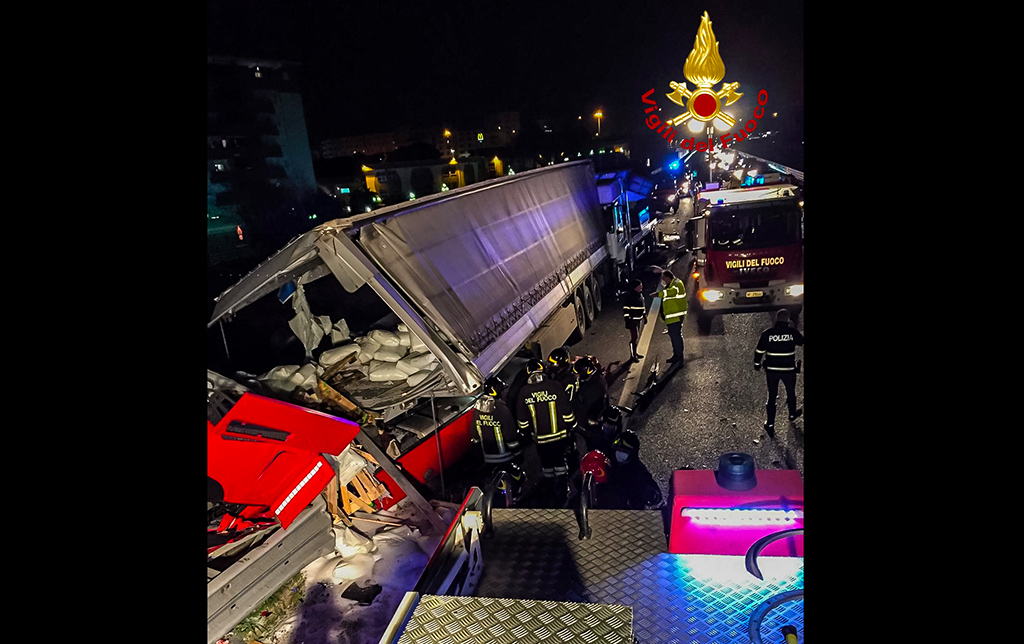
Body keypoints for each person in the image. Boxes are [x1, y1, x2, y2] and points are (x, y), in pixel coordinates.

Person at [517, 357, 577, 506]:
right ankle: (563, 490)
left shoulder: (524, 392)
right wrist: (573, 425)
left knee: (547, 464)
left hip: (541, 439)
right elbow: (566, 411)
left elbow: (522, 419)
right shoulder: (555, 386)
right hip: (559, 437)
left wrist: (525, 432)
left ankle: (549, 488)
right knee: (560, 463)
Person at [754, 308, 804, 437]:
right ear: (787, 319)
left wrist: (757, 364)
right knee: (791, 392)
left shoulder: (768, 333)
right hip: (788, 370)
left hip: (772, 370)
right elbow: (801, 342)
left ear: (776, 318)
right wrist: (794, 329)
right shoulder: (791, 332)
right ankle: (792, 414)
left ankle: (770, 423)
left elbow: (759, 350)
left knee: (772, 396)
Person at [595, 430, 663, 510]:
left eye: (624, 451)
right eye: (618, 450)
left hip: (630, 513)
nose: (619, 454)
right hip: (604, 511)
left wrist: (649, 494)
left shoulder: (637, 471)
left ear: (632, 453)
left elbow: (657, 496)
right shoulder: (608, 465)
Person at [655, 269, 688, 364]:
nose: (663, 281)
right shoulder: (671, 284)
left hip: (676, 316)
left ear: (668, 277)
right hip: (672, 317)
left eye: (663, 278)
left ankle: (679, 356)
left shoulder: (677, 284)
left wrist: (659, 294)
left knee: (676, 337)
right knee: (674, 337)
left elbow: (672, 292)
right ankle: (676, 355)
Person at [622, 278, 647, 361]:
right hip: (632, 320)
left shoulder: (640, 295)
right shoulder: (630, 296)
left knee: (636, 337)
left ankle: (635, 353)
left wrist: (644, 316)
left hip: (638, 319)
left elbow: (642, 306)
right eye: (640, 286)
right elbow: (626, 309)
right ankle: (633, 356)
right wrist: (627, 319)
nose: (641, 287)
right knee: (634, 338)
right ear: (635, 287)